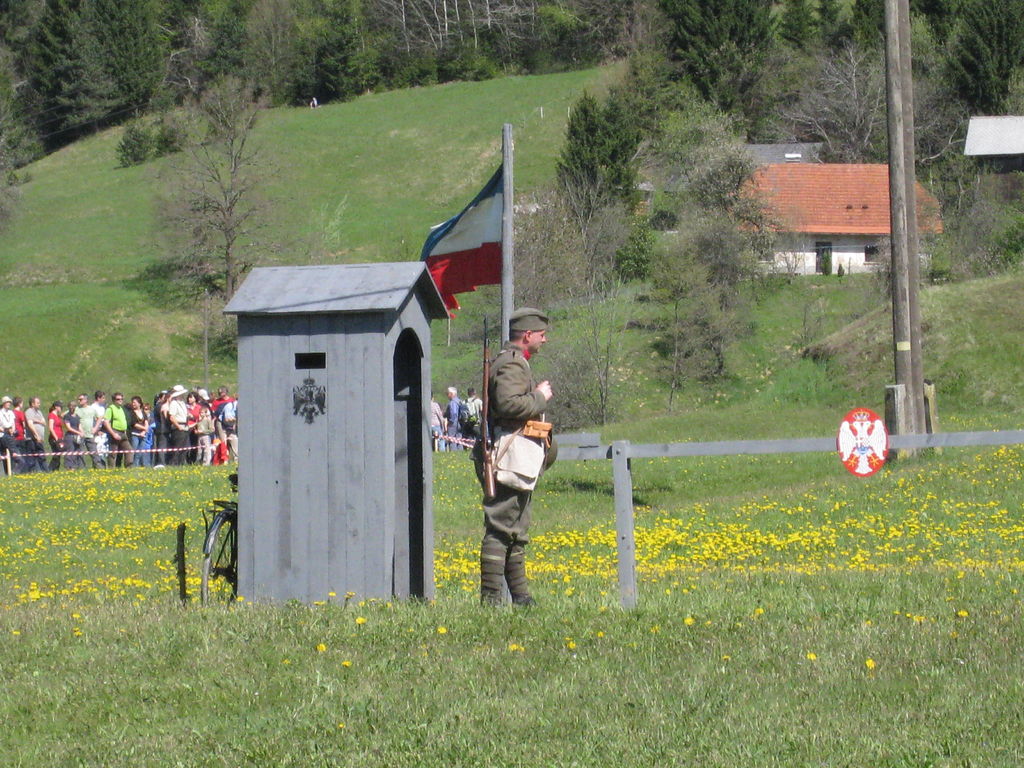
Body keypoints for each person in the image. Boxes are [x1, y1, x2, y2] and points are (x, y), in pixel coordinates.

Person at [473, 307, 557, 607]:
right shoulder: (511, 364)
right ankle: (491, 600)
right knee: (501, 528)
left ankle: (521, 597)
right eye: (542, 335)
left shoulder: (513, 362)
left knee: (516, 529)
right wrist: (539, 397)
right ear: (528, 335)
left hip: (516, 457)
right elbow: (509, 405)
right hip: (509, 456)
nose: (545, 340)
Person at [104, 392, 133, 468]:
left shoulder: (121, 409)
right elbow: (106, 422)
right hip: (115, 432)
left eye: (121, 399)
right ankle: (111, 469)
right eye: (118, 399)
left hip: (123, 433)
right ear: (114, 400)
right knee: (113, 453)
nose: (120, 400)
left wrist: (125, 432)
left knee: (129, 450)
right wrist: (113, 434)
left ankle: (128, 467)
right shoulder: (110, 409)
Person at [165, 385, 190, 465]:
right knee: (177, 448)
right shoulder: (174, 403)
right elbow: (172, 417)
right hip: (178, 427)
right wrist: (178, 427)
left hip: (185, 427)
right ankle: (174, 464)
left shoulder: (182, 403)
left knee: (184, 448)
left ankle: (181, 463)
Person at [24, 396, 49, 472]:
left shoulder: (39, 412)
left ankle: (45, 471)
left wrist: (36, 420)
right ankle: (31, 472)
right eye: (37, 403)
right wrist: (36, 435)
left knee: (41, 455)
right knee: (32, 457)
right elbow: (30, 424)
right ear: (32, 404)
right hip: (32, 438)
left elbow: (44, 423)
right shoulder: (29, 411)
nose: (39, 404)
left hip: (39, 439)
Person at [62, 401, 85, 470]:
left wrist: (82, 432)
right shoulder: (67, 416)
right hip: (69, 437)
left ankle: (76, 466)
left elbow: (79, 426)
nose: (72, 408)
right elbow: (68, 427)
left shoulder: (77, 416)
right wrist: (78, 432)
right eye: (71, 406)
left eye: (74, 406)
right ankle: (69, 467)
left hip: (77, 437)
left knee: (77, 451)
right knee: (70, 451)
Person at [129, 396, 149, 467]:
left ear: (139, 403)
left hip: (143, 435)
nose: (133, 404)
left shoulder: (143, 413)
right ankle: (132, 465)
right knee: (134, 450)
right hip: (135, 434)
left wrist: (144, 431)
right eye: (132, 402)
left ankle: (136, 465)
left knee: (140, 451)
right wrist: (144, 428)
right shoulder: (131, 413)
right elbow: (134, 424)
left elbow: (146, 422)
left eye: (134, 402)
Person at [0, 396, 17, 475]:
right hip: (3, 433)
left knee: (12, 453)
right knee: (5, 454)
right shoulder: (0, 413)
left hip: (10, 433)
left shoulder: (11, 413)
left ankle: (12, 471)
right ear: (3, 403)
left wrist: (13, 429)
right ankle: (7, 472)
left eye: (9, 402)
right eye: (7, 402)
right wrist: (3, 429)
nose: (9, 404)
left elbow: (13, 423)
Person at [47, 401, 65, 471]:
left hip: (60, 438)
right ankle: (50, 469)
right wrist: (56, 438)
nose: (61, 408)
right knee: (56, 455)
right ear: (56, 407)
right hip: (54, 438)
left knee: (58, 454)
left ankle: (56, 469)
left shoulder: (57, 416)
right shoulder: (51, 415)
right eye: (60, 407)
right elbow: (51, 428)